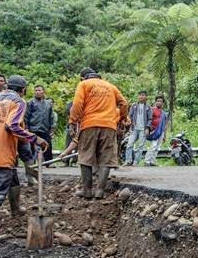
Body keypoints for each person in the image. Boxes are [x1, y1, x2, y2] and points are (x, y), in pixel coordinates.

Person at [0, 75, 48, 242]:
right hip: (3, 150)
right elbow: (11, 126)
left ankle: (16, 210)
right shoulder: (19, 102)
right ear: (23, 90)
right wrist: (35, 138)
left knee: (13, 179)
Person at [69, 67, 128, 199]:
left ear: (84, 77)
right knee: (106, 160)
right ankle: (100, 191)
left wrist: (72, 122)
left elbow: (77, 104)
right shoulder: (111, 86)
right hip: (109, 126)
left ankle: (87, 191)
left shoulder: (84, 84)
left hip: (89, 125)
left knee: (85, 158)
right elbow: (124, 103)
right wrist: (122, 119)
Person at [25, 85, 57, 163]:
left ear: (43, 91)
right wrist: (26, 128)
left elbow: (51, 117)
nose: (38, 92)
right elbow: (26, 116)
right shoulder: (30, 103)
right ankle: (31, 163)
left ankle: (49, 162)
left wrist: (52, 128)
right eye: (36, 90)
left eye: (39, 90)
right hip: (33, 129)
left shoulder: (48, 103)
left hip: (45, 128)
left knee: (47, 145)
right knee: (32, 147)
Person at [124, 90, 152, 166]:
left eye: (143, 95)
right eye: (140, 95)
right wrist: (128, 122)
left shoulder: (148, 107)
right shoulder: (134, 105)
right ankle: (128, 161)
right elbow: (129, 116)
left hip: (143, 129)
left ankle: (136, 162)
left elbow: (150, 119)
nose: (141, 96)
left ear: (146, 97)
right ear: (138, 96)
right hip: (134, 129)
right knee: (129, 144)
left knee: (140, 146)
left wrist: (147, 128)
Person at [144, 95, 167, 166]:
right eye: (158, 101)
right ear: (155, 102)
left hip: (161, 132)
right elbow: (147, 120)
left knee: (157, 147)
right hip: (154, 130)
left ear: (163, 103)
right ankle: (147, 161)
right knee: (153, 146)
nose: (159, 102)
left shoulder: (164, 113)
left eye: (161, 101)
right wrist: (147, 129)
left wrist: (164, 135)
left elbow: (164, 124)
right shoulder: (152, 109)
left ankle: (152, 161)